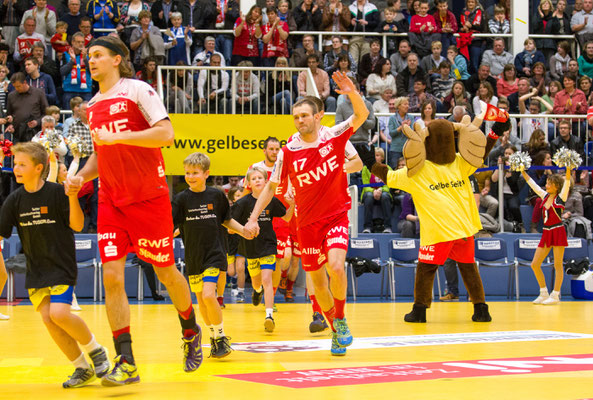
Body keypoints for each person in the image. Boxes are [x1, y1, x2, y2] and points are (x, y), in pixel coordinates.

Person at [65, 35, 203, 385]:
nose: (91, 60)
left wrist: (121, 137)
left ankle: (190, 329)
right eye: (88, 56)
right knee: (112, 276)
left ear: (117, 59)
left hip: (149, 197)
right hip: (112, 201)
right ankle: (125, 359)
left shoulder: (137, 90)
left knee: (166, 271)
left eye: (97, 55)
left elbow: (166, 134)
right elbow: (101, 153)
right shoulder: (93, 105)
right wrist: (80, 178)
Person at [244, 72, 369, 355]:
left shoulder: (335, 136)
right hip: (308, 223)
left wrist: (351, 92)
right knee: (318, 283)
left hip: (336, 215)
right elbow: (270, 187)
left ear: (318, 117)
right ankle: (337, 326)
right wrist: (253, 217)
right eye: (295, 117)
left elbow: (361, 116)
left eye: (304, 115)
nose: (299, 121)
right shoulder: (288, 152)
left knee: (336, 267)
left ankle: (340, 321)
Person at [0, 141, 110, 388]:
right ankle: (82, 368)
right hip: (36, 269)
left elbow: (78, 225)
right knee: (49, 320)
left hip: (60, 264)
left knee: (60, 313)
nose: (16, 169)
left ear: (39, 168)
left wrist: (72, 198)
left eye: (21, 165)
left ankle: (96, 349)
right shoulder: (14, 201)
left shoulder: (58, 193)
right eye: (15, 164)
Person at [173, 152, 248, 358]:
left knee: (209, 295)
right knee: (202, 300)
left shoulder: (216, 196)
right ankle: (213, 337)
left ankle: (222, 336)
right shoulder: (180, 200)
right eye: (187, 173)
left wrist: (243, 230)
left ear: (206, 174)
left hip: (214, 253)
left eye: (195, 173)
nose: (190, 176)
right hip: (193, 256)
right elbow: (172, 226)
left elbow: (226, 220)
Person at [233, 167, 294, 332]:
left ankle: (269, 316)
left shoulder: (272, 200)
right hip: (250, 247)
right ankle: (256, 290)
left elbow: (287, 217)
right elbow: (230, 228)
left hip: (268, 245)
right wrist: (243, 229)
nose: (258, 180)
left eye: (260, 177)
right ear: (248, 183)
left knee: (267, 279)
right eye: (254, 178)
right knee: (257, 281)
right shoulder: (242, 203)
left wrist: (293, 203)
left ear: (266, 181)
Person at [520, 166, 572, 305]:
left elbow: (567, 181)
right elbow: (533, 184)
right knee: (535, 264)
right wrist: (523, 172)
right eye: (547, 183)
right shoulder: (544, 196)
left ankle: (555, 295)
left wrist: (568, 169)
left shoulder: (561, 198)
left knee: (557, 265)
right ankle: (543, 293)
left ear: (556, 186)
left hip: (558, 231)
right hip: (547, 232)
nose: (546, 185)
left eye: (549, 183)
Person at [5, 72, 48, 144]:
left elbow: (46, 113)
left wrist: (37, 122)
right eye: (14, 86)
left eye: (18, 86)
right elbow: (9, 114)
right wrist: (10, 125)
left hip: (35, 134)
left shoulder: (38, 93)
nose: (16, 89)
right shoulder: (11, 96)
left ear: (25, 82)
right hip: (18, 134)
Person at [361, 147, 393, 233]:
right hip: (369, 192)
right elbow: (365, 185)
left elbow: (389, 185)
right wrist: (373, 191)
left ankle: (388, 227)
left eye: (377, 155)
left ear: (382, 157)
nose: (375, 157)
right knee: (368, 196)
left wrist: (380, 190)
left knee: (385, 196)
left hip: (383, 193)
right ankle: (367, 227)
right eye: (373, 155)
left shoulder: (387, 168)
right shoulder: (365, 168)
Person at [61, 32, 93, 108]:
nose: (81, 44)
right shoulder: (66, 54)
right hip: (69, 90)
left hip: (86, 91)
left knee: (87, 115)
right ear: (73, 42)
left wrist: (85, 59)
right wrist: (72, 61)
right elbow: (62, 72)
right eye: (78, 42)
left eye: (82, 42)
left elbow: (92, 71)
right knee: (68, 116)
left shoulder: (89, 56)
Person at [388, 96, 412, 167]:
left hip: (408, 148)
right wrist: (401, 127)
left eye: (408, 104)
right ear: (398, 106)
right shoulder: (392, 118)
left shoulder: (411, 117)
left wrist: (408, 128)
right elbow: (391, 133)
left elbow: (413, 133)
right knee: (395, 169)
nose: (407, 106)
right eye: (405, 104)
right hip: (395, 148)